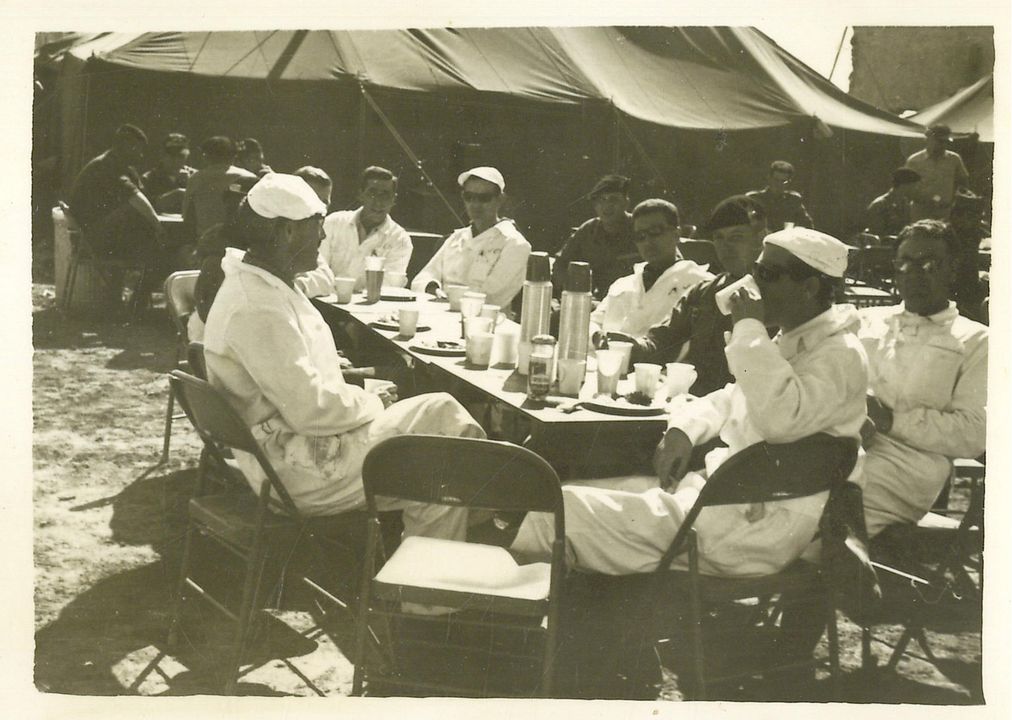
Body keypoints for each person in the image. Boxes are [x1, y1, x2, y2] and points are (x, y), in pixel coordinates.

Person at [511, 227, 867, 577]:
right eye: (756, 271)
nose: (754, 284)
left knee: (556, 512)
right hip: (719, 505)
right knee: (570, 491)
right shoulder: (800, 339)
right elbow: (735, 396)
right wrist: (684, 428)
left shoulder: (838, 355)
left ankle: (522, 618)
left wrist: (748, 329)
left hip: (748, 529)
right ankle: (585, 612)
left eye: (768, 275)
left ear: (810, 287)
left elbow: (778, 420)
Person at [202, 173, 486, 542]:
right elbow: (310, 408)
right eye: (316, 227)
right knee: (443, 424)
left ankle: (443, 562)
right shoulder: (256, 305)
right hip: (299, 467)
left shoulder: (261, 285)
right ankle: (475, 535)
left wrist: (356, 390)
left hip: (294, 448)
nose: (322, 238)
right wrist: (370, 400)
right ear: (288, 232)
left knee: (443, 454)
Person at [856, 220, 987, 538]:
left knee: (817, 511)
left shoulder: (977, 340)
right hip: (845, 446)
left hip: (908, 467)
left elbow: (974, 434)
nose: (914, 274)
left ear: (952, 270)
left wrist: (891, 421)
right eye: (905, 263)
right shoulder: (865, 321)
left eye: (929, 263)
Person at [622, 195, 769, 396]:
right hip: (699, 406)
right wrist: (629, 345)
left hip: (753, 407)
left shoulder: (778, 293)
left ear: (760, 239)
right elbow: (661, 343)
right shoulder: (703, 292)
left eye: (736, 237)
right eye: (719, 238)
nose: (725, 247)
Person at [590, 199, 713, 341]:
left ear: (676, 234)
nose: (647, 242)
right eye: (640, 236)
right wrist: (597, 336)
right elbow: (594, 321)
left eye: (655, 232)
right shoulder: (622, 284)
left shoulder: (700, 284)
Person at [410, 166, 531, 308]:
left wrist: (448, 297)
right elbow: (423, 278)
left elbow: (492, 298)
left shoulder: (515, 244)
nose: (475, 204)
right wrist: (433, 289)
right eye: (469, 197)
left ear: (500, 200)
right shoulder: (456, 238)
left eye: (484, 198)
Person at [67, 123, 166, 297]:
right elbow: (136, 199)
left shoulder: (123, 166)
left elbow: (145, 197)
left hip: (103, 235)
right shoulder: (106, 165)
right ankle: (139, 300)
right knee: (156, 241)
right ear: (126, 146)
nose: (141, 154)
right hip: (92, 239)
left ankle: (133, 299)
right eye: (137, 149)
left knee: (156, 244)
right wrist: (158, 226)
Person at [315, 166, 413, 293]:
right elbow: (318, 271)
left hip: (368, 310)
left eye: (385, 195)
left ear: (394, 199)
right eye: (372, 193)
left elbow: (387, 287)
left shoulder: (400, 240)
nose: (378, 202)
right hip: (325, 301)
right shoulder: (333, 223)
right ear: (360, 194)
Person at [552, 174, 639, 300]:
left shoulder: (640, 228)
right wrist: (575, 290)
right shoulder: (589, 230)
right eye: (601, 200)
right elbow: (560, 264)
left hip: (633, 302)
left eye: (613, 200)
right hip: (596, 302)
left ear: (626, 203)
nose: (606, 206)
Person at [182, 136, 258, 242]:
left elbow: (186, 216)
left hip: (206, 242)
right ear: (234, 156)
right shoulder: (249, 177)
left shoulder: (196, 178)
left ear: (206, 156)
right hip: (240, 244)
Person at [905, 124, 970, 221]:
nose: (943, 145)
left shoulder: (954, 159)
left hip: (945, 213)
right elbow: (907, 187)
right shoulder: (914, 160)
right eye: (940, 141)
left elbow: (963, 182)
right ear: (928, 139)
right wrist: (926, 199)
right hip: (921, 212)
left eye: (946, 142)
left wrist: (955, 202)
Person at [747, 160, 814, 231]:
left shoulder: (793, 200)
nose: (779, 184)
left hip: (784, 240)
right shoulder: (754, 199)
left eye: (783, 181)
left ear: (789, 182)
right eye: (776, 180)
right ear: (769, 178)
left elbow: (807, 225)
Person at [141, 133, 196, 214]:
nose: (176, 160)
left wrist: (189, 183)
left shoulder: (196, 175)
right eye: (172, 155)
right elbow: (145, 206)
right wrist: (174, 195)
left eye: (181, 156)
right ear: (162, 155)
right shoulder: (149, 178)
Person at [863, 167, 920, 240]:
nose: (916, 189)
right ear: (904, 186)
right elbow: (877, 235)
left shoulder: (905, 204)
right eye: (914, 186)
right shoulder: (879, 205)